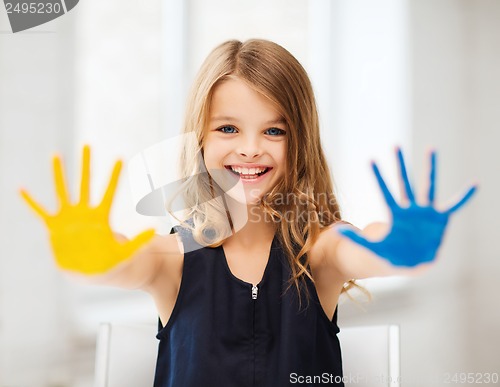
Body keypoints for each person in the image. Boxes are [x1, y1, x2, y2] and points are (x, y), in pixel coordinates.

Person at [20, 39, 476, 387]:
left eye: (274, 129)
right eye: (228, 128)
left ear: (300, 141)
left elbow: (364, 248)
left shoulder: (320, 252)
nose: (251, 148)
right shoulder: (175, 259)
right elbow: (127, 261)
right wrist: (93, 256)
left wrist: (398, 247)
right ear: (200, 139)